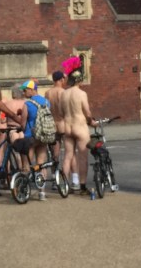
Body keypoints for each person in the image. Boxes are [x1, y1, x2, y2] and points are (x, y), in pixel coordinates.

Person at [59, 67, 97, 196]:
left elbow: (61, 112)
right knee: (83, 157)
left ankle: (64, 185)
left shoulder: (63, 93)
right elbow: (87, 111)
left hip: (67, 127)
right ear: (79, 80)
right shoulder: (81, 94)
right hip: (80, 126)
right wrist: (91, 121)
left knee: (68, 156)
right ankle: (82, 186)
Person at [16, 80, 52, 200]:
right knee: (41, 164)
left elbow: (23, 123)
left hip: (30, 137)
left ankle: (24, 190)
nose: (24, 92)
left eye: (25, 90)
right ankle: (42, 193)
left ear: (32, 89)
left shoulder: (27, 104)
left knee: (26, 164)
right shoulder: (46, 102)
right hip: (43, 136)